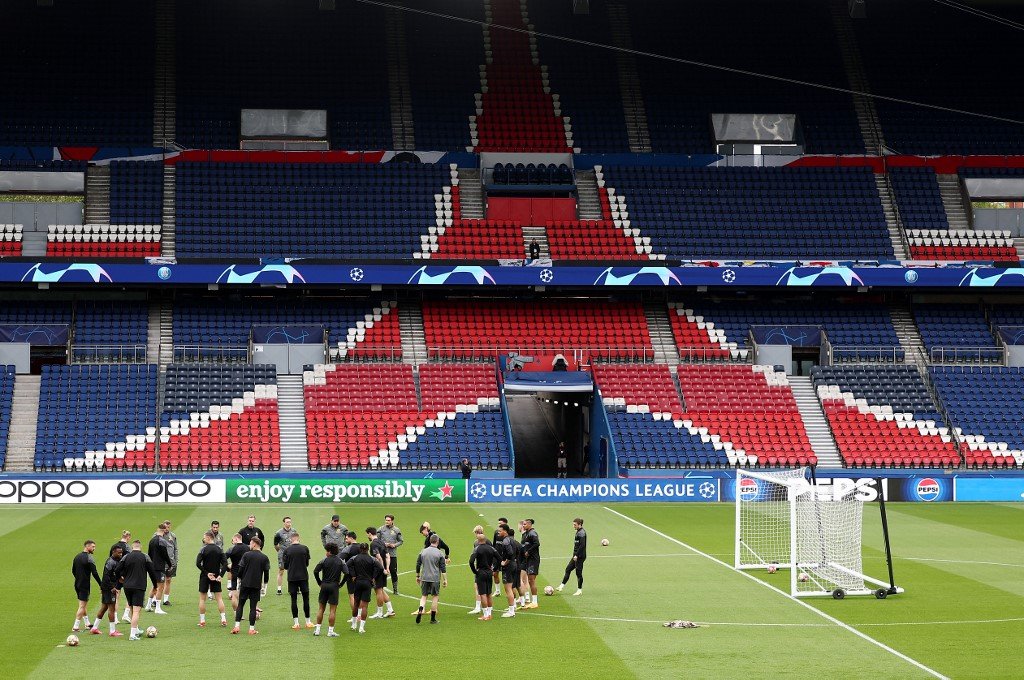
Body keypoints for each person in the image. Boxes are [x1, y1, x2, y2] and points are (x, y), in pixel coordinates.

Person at [112, 539, 158, 641]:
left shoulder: (126, 556)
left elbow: (117, 569)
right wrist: (155, 586)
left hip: (127, 586)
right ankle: (132, 635)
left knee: (133, 608)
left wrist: (121, 577)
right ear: (140, 547)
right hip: (139, 586)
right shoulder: (145, 557)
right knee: (137, 611)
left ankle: (136, 629)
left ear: (132, 547)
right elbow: (152, 572)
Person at [232, 538, 270, 635]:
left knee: (241, 605)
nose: (249, 545)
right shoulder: (264, 557)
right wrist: (265, 585)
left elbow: (240, 570)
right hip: (256, 585)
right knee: (253, 607)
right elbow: (266, 573)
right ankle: (251, 629)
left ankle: (236, 626)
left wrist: (240, 579)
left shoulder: (246, 555)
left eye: (250, 543)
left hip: (245, 583)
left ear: (254, 544)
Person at [346, 543, 383, 634]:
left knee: (356, 604)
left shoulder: (354, 558)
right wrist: (374, 577)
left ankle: (354, 625)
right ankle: (361, 628)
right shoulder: (372, 559)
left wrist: (353, 575)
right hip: (367, 583)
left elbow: (347, 565)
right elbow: (381, 568)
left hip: (358, 582)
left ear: (360, 549)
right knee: (364, 606)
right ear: (367, 549)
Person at [312, 543, 345, 637]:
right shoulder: (340, 561)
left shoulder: (324, 560)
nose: (326, 553)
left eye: (326, 551)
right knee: (332, 610)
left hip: (324, 586)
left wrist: (319, 582)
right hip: (334, 586)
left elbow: (315, 571)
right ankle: (330, 631)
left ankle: (317, 630)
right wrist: (341, 584)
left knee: (321, 608)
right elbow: (347, 573)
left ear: (329, 552)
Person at [90, 543, 123, 636]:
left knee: (104, 607)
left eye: (121, 553)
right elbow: (106, 577)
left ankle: (94, 628)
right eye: (119, 553)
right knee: (111, 608)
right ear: (113, 552)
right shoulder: (110, 562)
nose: (120, 554)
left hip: (107, 587)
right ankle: (112, 631)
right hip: (109, 588)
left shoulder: (116, 561)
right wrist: (112, 588)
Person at [283, 531, 314, 630]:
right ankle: (308, 622)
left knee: (294, 600)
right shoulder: (305, 548)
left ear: (291, 539)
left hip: (292, 577)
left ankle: (296, 623)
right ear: (298, 538)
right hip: (303, 577)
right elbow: (307, 563)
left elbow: (286, 566)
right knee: (306, 599)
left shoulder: (287, 550)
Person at [197, 531, 228, 627]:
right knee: (219, 598)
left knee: (202, 599)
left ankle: (202, 621)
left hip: (205, 576)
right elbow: (225, 564)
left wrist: (206, 573)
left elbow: (198, 563)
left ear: (208, 538)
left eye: (204, 537)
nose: (203, 539)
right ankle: (223, 619)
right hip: (216, 576)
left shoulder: (203, 549)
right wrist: (220, 575)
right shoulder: (219, 549)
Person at [414, 534, 447, 624]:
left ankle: (421, 608)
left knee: (424, 596)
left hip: (424, 577)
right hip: (435, 578)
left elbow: (418, 564)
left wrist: (417, 576)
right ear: (437, 542)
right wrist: (445, 580)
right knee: (435, 597)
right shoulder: (440, 553)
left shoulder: (423, 551)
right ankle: (432, 619)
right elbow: (443, 568)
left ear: (429, 541)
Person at [469, 532, 501, 621]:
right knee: (489, 593)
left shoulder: (477, 549)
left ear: (478, 541)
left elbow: (471, 561)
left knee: (482, 594)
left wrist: (475, 571)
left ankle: (485, 615)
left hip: (481, 573)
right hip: (489, 573)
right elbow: (499, 558)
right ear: (486, 540)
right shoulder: (491, 548)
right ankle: (489, 614)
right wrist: (494, 569)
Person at [71, 540, 102, 632]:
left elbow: (73, 570)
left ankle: (87, 623)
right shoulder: (89, 558)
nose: (94, 549)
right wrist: (101, 584)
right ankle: (75, 626)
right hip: (84, 585)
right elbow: (95, 573)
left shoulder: (77, 557)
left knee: (82, 605)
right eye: (93, 547)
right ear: (87, 546)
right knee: (82, 606)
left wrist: (79, 578)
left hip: (77, 584)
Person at [366, 527, 395, 619]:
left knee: (377, 590)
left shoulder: (373, 544)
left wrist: (382, 568)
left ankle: (379, 613)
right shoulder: (381, 542)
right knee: (381, 590)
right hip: (383, 569)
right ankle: (390, 610)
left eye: (367, 534)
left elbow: (378, 557)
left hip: (377, 570)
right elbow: (387, 555)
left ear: (370, 533)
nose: (367, 536)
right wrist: (387, 568)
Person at [495, 523, 521, 618]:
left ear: (505, 531)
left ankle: (511, 611)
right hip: (514, 565)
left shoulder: (505, 541)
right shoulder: (512, 540)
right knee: (511, 587)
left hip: (509, 566)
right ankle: (513, 606)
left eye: (500, 530)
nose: (499, 532)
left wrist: (505, 562)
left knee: (508, 588)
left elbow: (510, 553)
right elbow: (517, 551)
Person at [146, 523, 173, 614]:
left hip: (152, 566)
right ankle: (157, 608)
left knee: (154, 586)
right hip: (159, 567)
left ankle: (148, 605)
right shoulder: (162, 541)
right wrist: (170, 564)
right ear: (164, 530)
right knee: (160, 587)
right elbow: (165, 555)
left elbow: (149, 554)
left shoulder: (151, 540)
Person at [557, 518, 587, 596]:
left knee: (578, 573)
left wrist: (577, 555)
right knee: (568, 569)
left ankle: (579, 590)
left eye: (575, 525)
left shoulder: (582, 533)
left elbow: (582, 546)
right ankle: (561, 586)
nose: (573, 526)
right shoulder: (578, 532)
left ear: (580, 524)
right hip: (576, 556)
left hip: (580, 556)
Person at [377, 514, 403, 594]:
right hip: (382, 555)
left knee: (393, 571)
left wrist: (394, 545)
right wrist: (383, 544)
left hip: (392, 555)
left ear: (392, 521)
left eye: (388, 520)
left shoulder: (397, 530)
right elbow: (376, 540)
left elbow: (401, 541)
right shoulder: (380, 529)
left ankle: (395, 590)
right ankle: (378, 588)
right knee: (380, 571)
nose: (387, 522)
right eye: (386, 520)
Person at [338, 531, 360, 622]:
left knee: (352, 595)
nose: (346, 540)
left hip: (351, 575)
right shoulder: (362, 547)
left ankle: (355, 616)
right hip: (362, 575)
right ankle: (360, 615)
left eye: (346, 538)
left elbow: (339, 559)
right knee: (360, 596)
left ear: (351, 538)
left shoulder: (348, 548)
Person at [273, 516, 298, 596]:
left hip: (293, 554)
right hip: (283, 554)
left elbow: (297, 541)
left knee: (293, 571)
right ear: (284, 523)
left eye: (290, 522)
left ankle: (294, 588)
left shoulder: (294, 531)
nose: (289, 523)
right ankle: (279, 589)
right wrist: (280, 551)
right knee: (281, 570)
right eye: (287, 522)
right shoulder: (278, 533)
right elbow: (276, 544)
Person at [521, 518, 541, 609]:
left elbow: (537, 543)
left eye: (525, 524)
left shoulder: (533, 533)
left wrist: (528, 551)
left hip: (533, 559)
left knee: (531, 580)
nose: (523, 526)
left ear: (529, 525)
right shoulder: (526, 534)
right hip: (528, 560)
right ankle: (533, 601)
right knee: (530, 580)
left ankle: (535, 602)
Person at [225, 533, 248, 611]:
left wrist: (228, 567)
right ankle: (254, 610)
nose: (232, 542)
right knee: (248, 594)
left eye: (233, 540)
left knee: (234, 594)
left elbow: (223, 560)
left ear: (236, 539)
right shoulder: (248, 548)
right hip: (246, 574)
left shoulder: (231, 549)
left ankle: (237, 614)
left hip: (235, 573)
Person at [114, 531, 132, 623]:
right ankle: (125, 614)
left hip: (116, 574)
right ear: (128, 537)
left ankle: (115, 618)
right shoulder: (127, 548)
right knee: (130, 595)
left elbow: (111, 560)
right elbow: (129, 562)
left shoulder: (114, 546)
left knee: (116, 595)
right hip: (126, 575)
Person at [161, 519, 179, 607]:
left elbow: (175, 549)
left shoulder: (173, 536)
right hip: (161, 562)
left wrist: (176, 560)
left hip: (170, 563)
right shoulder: (158, 536)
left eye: (168, 527)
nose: (166, 529)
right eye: (165, 527)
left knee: (168, 580)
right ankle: (153, 600)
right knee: (158, 581)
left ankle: (166, 600)